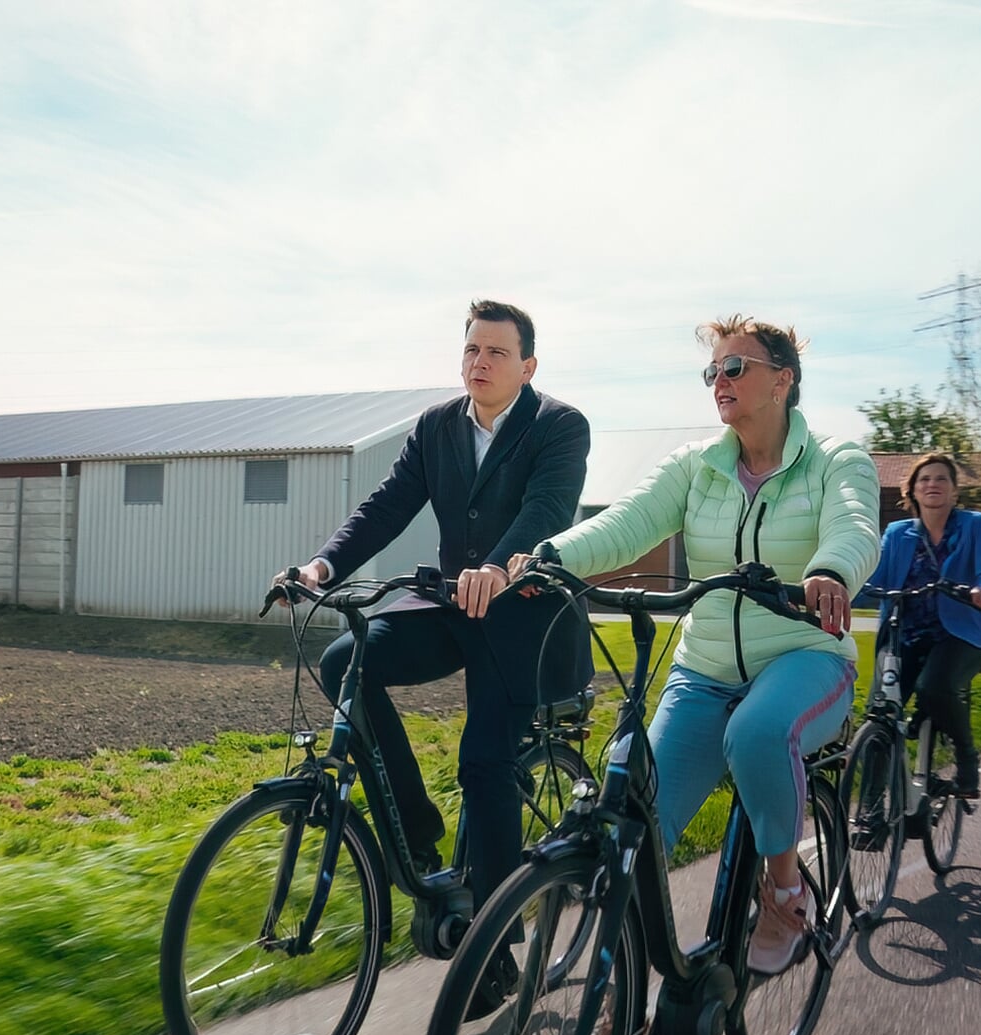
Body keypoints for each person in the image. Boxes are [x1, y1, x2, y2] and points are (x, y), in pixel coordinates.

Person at [511, 314, 879, 978]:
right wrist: (547, 555)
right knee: (632, 823)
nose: (720, 380)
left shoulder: (835, 459)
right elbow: (627, 524)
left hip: (805, 656)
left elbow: (853, 524)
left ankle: (785, 890)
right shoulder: (696, 467)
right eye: (713, 370)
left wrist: (828, 571)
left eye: (735, 367)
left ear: (782, 380)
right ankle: (609, 1015)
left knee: (760, 731)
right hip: (704, 672)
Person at [277, 299, 594, 924]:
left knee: (484, 765)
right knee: (348, 661)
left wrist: (501, 566)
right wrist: (319, 568)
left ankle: (493, 944)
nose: (481, 362)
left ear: (527, 367)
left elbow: (547, 510)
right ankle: (416, 831)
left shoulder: (560, 426)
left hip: (522, 620)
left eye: (497, 352)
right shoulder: (436, 426)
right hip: (452, 603)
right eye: (472, 349)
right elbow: (386, 506)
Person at [861, 453, 981, 798]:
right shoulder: (897, 533)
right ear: (912, 491)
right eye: (924, 480)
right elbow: (874, 580)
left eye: (941, 479)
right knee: (879, 716)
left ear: (954, 492)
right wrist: (832, 592)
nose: (932, 485)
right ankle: (870, 811)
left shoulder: (973, 525)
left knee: (934, 688)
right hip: (904, 636)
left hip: (957, 636)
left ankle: (967, 757)